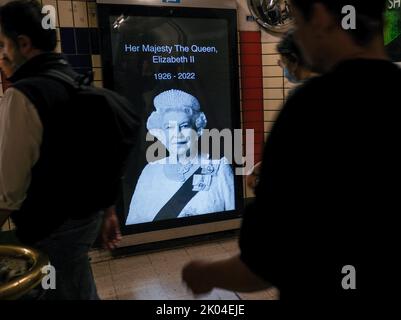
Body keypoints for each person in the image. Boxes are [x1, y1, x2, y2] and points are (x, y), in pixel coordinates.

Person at [182, 0, 400, 299]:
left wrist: (204, 273)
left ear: (321, 16)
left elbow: (266, 264)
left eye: (298, 22)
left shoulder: (313, 109)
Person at [0, 0, 124, 300]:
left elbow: (10, 189)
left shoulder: (23, 95)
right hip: (86, 218)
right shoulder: (75, 81)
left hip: (52, 224)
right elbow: (98, 155)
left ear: (24, 43)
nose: (1, 54)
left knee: (68, 289)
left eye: (3, 44)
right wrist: (108, 212)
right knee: (73, 283)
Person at [126, 89, 235, 225]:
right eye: (169, 128)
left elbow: (234, 223)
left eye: (184, 126)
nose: (177, 134)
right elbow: (134, 224)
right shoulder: (150, 172)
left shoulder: (220, 169)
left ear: (198, 128)